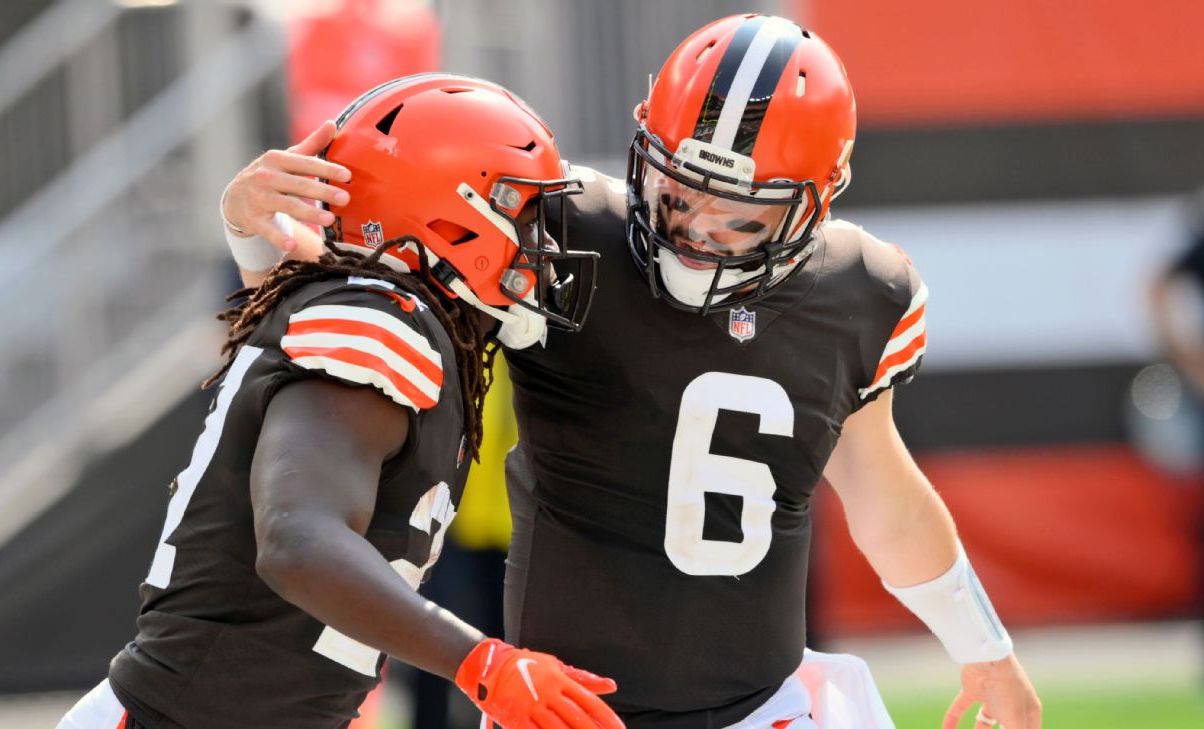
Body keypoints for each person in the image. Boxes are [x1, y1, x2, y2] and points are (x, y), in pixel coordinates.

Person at [221, 15, 1042, 729]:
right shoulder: (558, 233)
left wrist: (984, 647)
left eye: (740, 216)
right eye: (679, 191)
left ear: (817, 202)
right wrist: (256, 234)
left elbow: (880, 487)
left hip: (765, 703)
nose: (695, 230)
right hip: (562, 708)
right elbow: (338, 314)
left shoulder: (862, 291)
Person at [57, 74, 622, 729]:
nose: (541, 245)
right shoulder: (377, 321)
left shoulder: (371, 310)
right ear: (450, 219)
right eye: (522, 212)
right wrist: (483, 663)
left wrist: (249, 238)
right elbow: (299, 539)